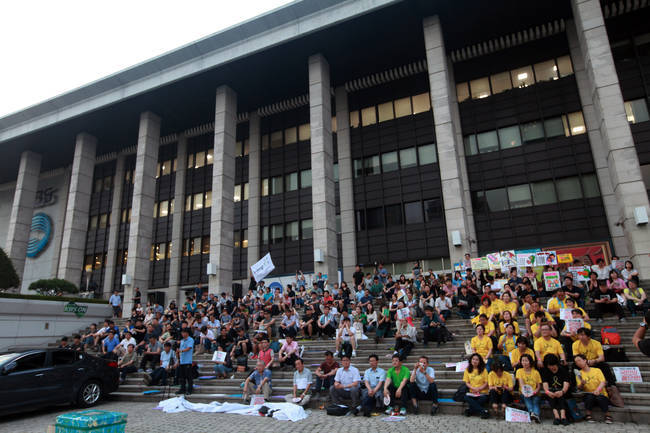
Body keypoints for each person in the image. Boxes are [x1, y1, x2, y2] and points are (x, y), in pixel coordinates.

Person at [574, 354, 612, 423]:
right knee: (589, 397)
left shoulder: (597, 370)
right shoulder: (579, 374)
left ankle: (607, 415)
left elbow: (603, 382)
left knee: (600, 398)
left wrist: (597, 390)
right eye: (576, 362)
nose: (578, 363)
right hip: (589, 394)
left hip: (600, 393)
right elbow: (579, 388)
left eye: (579, 360)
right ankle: (588, 414)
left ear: (585, 360)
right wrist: (582, 384)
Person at [541, 354, 571, 425]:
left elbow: (566, 383)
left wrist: (562, 391)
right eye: (549, 366)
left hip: (563, 390)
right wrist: (547, 392)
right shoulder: (545, 371)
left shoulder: (563, 370)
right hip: (552, 390)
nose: (551, 367)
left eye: (553, 365)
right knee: (551, 396)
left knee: (560, 396)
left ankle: (563, 417)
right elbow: (545, 384)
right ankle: (557, 417)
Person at [516, 354, 542, 423]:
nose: (524, 363)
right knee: (527, 398)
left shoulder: (536, 372)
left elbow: (539, 386)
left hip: (535, 392)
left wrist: (534, 392)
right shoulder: (519, 371)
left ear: (530, 362)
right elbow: (521, 384)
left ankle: (533, 415)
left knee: (535, 401)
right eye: (523, 361)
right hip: (524, 392)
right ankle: (534, 414)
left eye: (526, 361)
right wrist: (526, 393)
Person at [463, 353, 489, 419]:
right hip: (472, 392)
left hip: (482, 392)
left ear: (479, 361)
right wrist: (474, 388)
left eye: (477, 360)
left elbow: (486, 383)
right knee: (466, 397)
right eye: (473, 359)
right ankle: (483, 411)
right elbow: (467, 382)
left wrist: (479, 389)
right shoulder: (467, 370)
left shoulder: (484, 370)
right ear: (471, 360)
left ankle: (470, 410)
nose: (474, 361)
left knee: (483, 398)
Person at [176, 327, 194, 395]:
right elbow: (180, 350)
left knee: (189, 376)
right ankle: (182, 389)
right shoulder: (182, 340)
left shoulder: (190, 340)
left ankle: (190, 389)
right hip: (182, 360)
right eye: (182, 333)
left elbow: (189, 348)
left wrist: (181, 351)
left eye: (183, 333)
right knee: (182, 377)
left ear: (187, 333)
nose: (182, 334)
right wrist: (178, 359)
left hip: (187, 361)